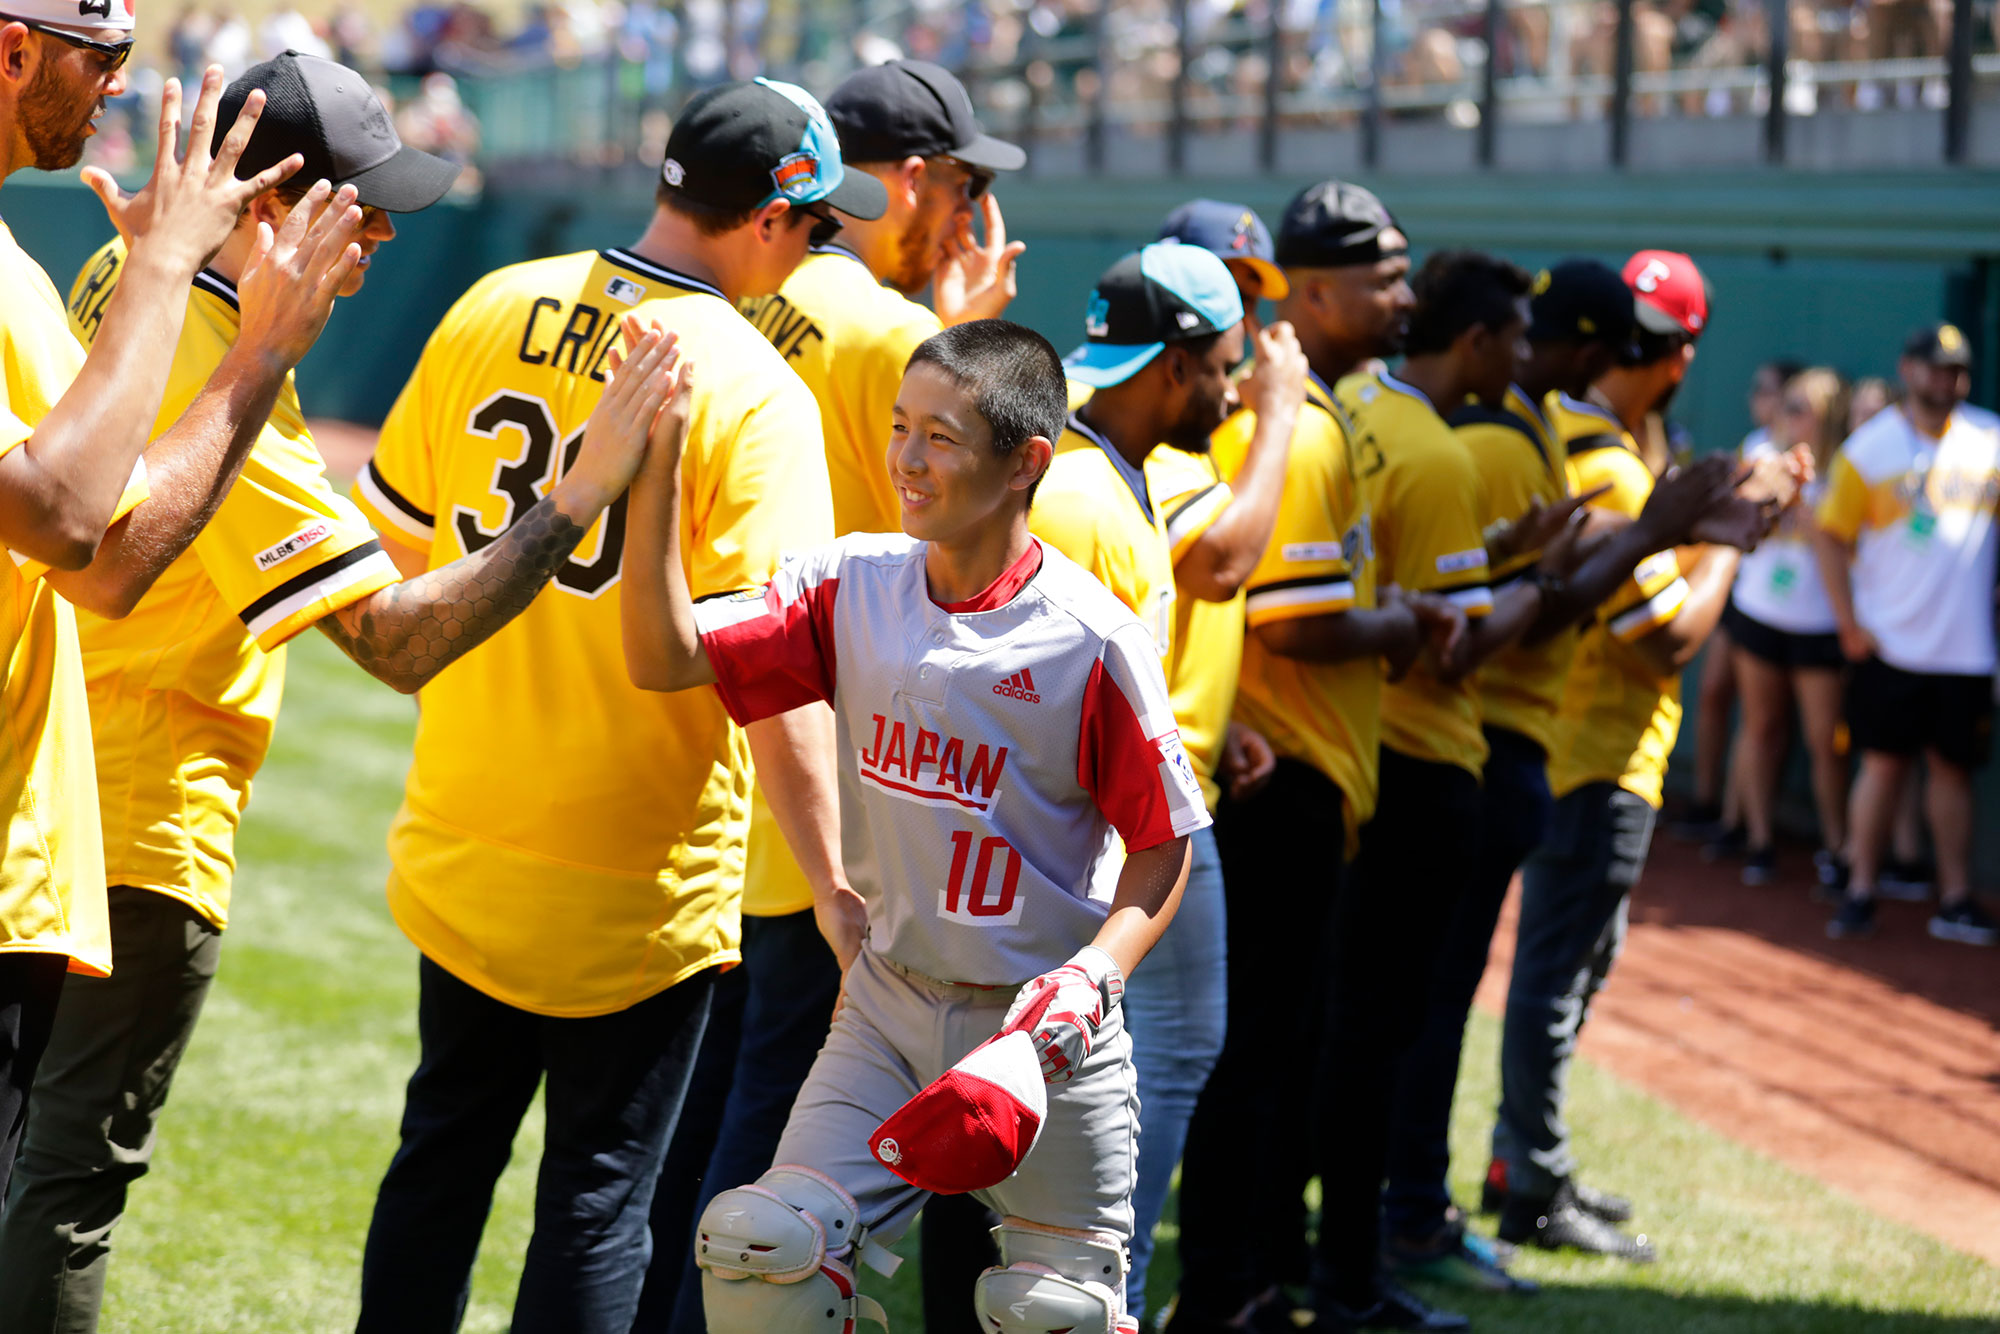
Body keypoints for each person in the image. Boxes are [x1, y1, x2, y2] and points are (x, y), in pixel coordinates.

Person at [347, 78, 881, 1333]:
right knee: (594, 1203)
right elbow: (773, 676)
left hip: (466, 834)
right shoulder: (754, 387)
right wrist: (829, 881)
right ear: (768, 217)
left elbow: (392, 562)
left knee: (438, 1161)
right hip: (638, 875)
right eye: (813, 229)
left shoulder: (493, 300)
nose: (813, 254)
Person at [0, 54, 474, 1331]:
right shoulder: (217, 331)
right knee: (67, 1183)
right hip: (132, 819)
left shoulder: (125, 276)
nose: (376, 234)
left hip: (60, 789)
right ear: (268, 206)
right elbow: (390, 638)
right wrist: (575, 509)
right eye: (356, 207)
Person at [621, 318, 1209, 1334]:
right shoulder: (846, 584)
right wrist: (655, 466)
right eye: (900, 426)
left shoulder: (1090, 639)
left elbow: (1164, 849)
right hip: (886, 1009)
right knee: (760, 1249)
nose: (905, 458)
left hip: (1039, 1036)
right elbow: (662, 654)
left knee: (1050, 1311)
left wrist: (1087, 982)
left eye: (939, 435)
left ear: (1026, 461)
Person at [639, 58, 1025, 1334]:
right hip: (843, 808)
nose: (965, 219)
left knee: (684, 1146)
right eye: (962, 187)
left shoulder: (745, 296)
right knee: (780, 1156)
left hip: (733, 780)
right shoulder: (882, 336)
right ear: (911, 180)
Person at [0, 19, 357, 1201]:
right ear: (13, 52)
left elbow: (84, 539)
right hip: (113, 807)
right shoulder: (52, 281)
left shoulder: (33, 273)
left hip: (51, 820)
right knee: (68, 1186)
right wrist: (246, 343)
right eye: (100, 59)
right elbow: (74, 533)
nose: (118, 89)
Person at [1167, 181, 1451, 1334]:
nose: (1402, 296)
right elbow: (1288, 613)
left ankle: (1249, 1274)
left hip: (1279, 763)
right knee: (1247, 1058)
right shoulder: (1285, 419)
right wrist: (1405, 625)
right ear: (1316, 292)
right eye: (1381, 278)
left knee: (1267, 1054)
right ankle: (1228, 1285)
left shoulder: (1310, 411)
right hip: (1271, 772)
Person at [1485, 251, 1796, 1260]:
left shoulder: (1587, 438)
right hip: (1589, 754)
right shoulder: (1608, 461)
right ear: (1675, 357)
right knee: (1553, 974)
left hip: (1586, 747)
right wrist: (1725, 541)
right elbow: (1662, 635)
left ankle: (1521, 1158)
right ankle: (1528, 1174)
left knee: (1575, 962)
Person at [1819, 324, 2000, 948]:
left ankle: (1954, 897)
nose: (1943, 380)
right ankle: (1861, 888)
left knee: (1952, 772)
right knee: (1883, 766)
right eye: (1932, 367)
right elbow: (1828, 536)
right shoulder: (1870, 450)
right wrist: (1848, 622)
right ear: (1907, 369)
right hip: (1889, 643)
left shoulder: (1991, 440)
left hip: (1966, 648)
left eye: (1955, 369)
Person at [1722, 367, 1851, 887]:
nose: (1789, 413)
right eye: (1787, 403)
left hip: (1819, 622)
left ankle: (1839, 849)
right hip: (1760, 611)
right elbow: (1736, 522)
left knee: (1826, 741)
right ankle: (1758, 840)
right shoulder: (1760, 452)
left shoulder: (1846, 468)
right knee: (1762, 728)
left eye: (1802, 405)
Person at [1676, 357, 1799, 847]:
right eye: (1757, 391)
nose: (1758, 400)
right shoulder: (1756, 447)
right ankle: (1711, 804)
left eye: (1768, 391)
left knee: (1760, 716)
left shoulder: (1807, 456)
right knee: (1712, 693)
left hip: (1764, 597)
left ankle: (1739, 819)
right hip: (1734, 590)